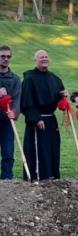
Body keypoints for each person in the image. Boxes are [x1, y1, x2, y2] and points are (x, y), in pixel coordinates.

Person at [21, 49, 68, 181]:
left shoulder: (55, 78)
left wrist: (64, 98)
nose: (44, 59)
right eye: (41, 57)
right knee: (39, 149)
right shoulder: (29, 78)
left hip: (51, 120)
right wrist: (36, 118)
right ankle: (37, 176)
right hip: (37, 120)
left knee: (52, 148)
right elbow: (26, 101)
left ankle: (51, 175)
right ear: (35, 60)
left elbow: (59, 100)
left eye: (46, 57)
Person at [0, 45, 21, 179]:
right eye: (2, 56)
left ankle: (6, 181)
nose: (6, 59)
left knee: (8, 153)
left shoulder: (15, 79)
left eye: (8, 56)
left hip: (7, 121)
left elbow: (18, 98)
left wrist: (15, 112)